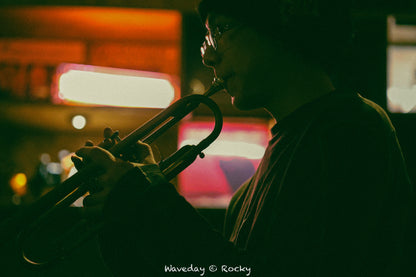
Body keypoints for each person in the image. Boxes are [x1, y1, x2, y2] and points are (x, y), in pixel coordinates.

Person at [73, 0, 414, 276]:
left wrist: (143, 195)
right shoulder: (248, 193)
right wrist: (120, 214)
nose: (208, 55)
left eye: (221, 29)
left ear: (280, 26)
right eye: (208, 39)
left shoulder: (350, 127)